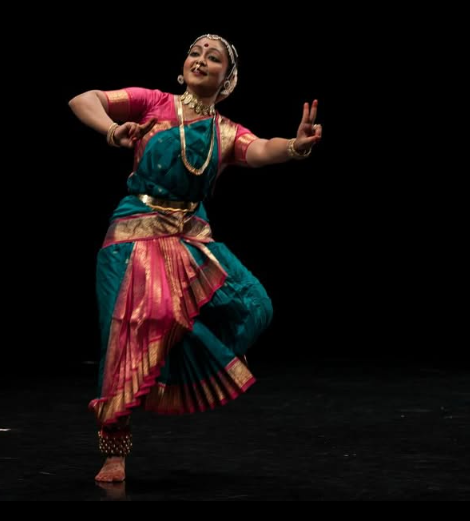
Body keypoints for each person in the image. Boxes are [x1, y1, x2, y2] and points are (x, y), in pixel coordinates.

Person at [68, 34, 322, 482]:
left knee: (253, 305)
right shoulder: (153, 103)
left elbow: (262, 149)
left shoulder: (225, 132)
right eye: (195, 52)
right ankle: (115, 451)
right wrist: (111, 130)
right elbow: (82, 99)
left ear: (228, 79)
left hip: (188, 238)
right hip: (132, 233)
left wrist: (296, 146)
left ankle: (175, 366)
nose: (200, 59)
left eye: (214, 57)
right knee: (130, 334)